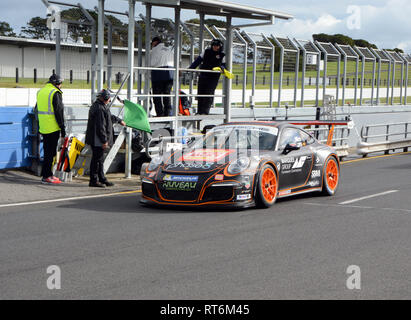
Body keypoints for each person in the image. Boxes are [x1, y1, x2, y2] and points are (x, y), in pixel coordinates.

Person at [85, 89, 126, 188]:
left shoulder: (100, 106)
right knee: (97, 160)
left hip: (96, 138)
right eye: (109, 98)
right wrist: (104, 140)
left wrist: (119, 120)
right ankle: (94, 180)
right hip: (97, 140)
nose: (110, 100)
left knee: (100, 160)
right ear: (105, 98)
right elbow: (101, 126)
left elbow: (108, 116)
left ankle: (102, 178)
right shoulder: (99, 108)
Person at [36, 73, 66, 184]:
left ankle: (46, 174)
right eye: (61, 83)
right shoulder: (55, 93)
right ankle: (47, 176)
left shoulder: (41, 91)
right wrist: (63, 130)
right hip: (53, 128)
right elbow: (59, 113)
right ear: (57, 83)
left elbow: (37, 109)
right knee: (51, 153)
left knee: (47, 151)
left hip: (43, 127)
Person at [189, 39, 226, 115]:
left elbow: (224, 65)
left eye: (217, 46)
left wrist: (222, 68)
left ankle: (205, 112)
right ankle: (199, 111)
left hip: (213, 77)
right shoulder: (206, 51)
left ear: (220, 46)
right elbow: (198, 61)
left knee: (209, 93)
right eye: (214, 45)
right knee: (201, 93)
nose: (215, 47)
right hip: (203, 75)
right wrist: (190, 68)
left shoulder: (222, 54)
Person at [150, 36, 174, 117]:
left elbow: (152, 63)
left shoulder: (155, 50)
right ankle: (168, 113)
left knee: (157, 96)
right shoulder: (169, 49)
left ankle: (160, 114)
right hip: (170, 74)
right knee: (167, 95)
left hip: (158, 74)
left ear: (155, 42)